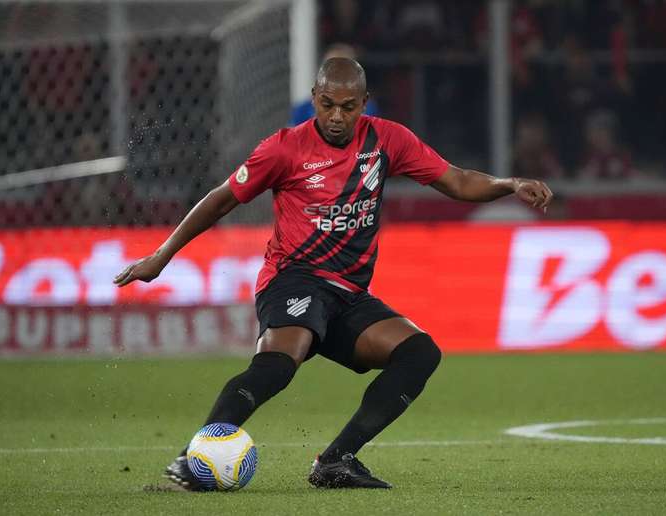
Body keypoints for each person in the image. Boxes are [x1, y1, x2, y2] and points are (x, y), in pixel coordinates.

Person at [114, 57, 553, 490]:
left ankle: (336, 461)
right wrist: (162, 255)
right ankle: (191, 459)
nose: (337, 116)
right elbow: (221, 198)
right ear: (314, 99)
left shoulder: (387, 141)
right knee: (280, 364)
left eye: (348, 106)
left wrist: (509, 184)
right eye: (327, 104)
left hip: (348, 295)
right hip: (294, 277)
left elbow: (457, 182)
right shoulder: (284, 148)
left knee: (420, 353)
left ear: (365, 103)